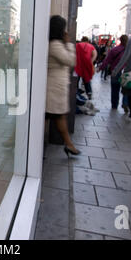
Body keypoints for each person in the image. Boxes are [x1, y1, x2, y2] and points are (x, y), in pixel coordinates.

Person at [46, 16, 81, 157]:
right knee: (56, 116)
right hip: (54, 87)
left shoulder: (54, 43)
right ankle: (69, 145)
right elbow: (71, 60)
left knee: (57, 116)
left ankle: (69, 145)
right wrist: (70, 44)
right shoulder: (55, 44)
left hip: (56, 87)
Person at [99, 35, 129, 109]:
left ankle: (114, 105)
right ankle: (125, 103)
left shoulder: (115, 49)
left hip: (115, 71)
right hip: (126, 72)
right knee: (127, 89)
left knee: (115, 89)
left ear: (120, 40)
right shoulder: (129, 50)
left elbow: (107, 60)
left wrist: (101, 68)